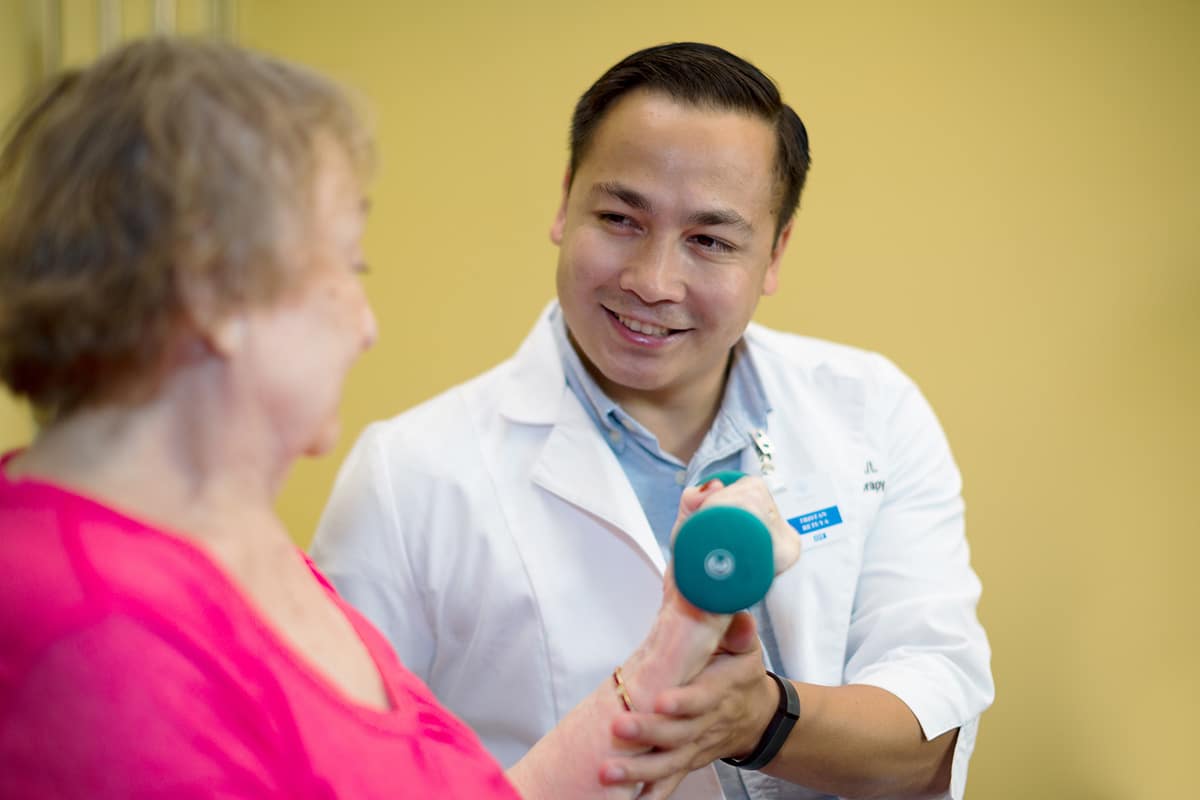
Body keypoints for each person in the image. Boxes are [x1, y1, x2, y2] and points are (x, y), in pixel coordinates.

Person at [0, 37, 800, 799]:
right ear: (215, 294)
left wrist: (683, 632)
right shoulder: (85, 627)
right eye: (348, 267)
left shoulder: (231, 542)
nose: (365, 323)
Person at [313, 41, 995, 799]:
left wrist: (760, 720)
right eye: (620, 218)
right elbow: (339, 769)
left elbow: (931, 735)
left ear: (774, 254)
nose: (653, 281)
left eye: (709, 240)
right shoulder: (407, 475)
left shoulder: (871, 409)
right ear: (565, 201)